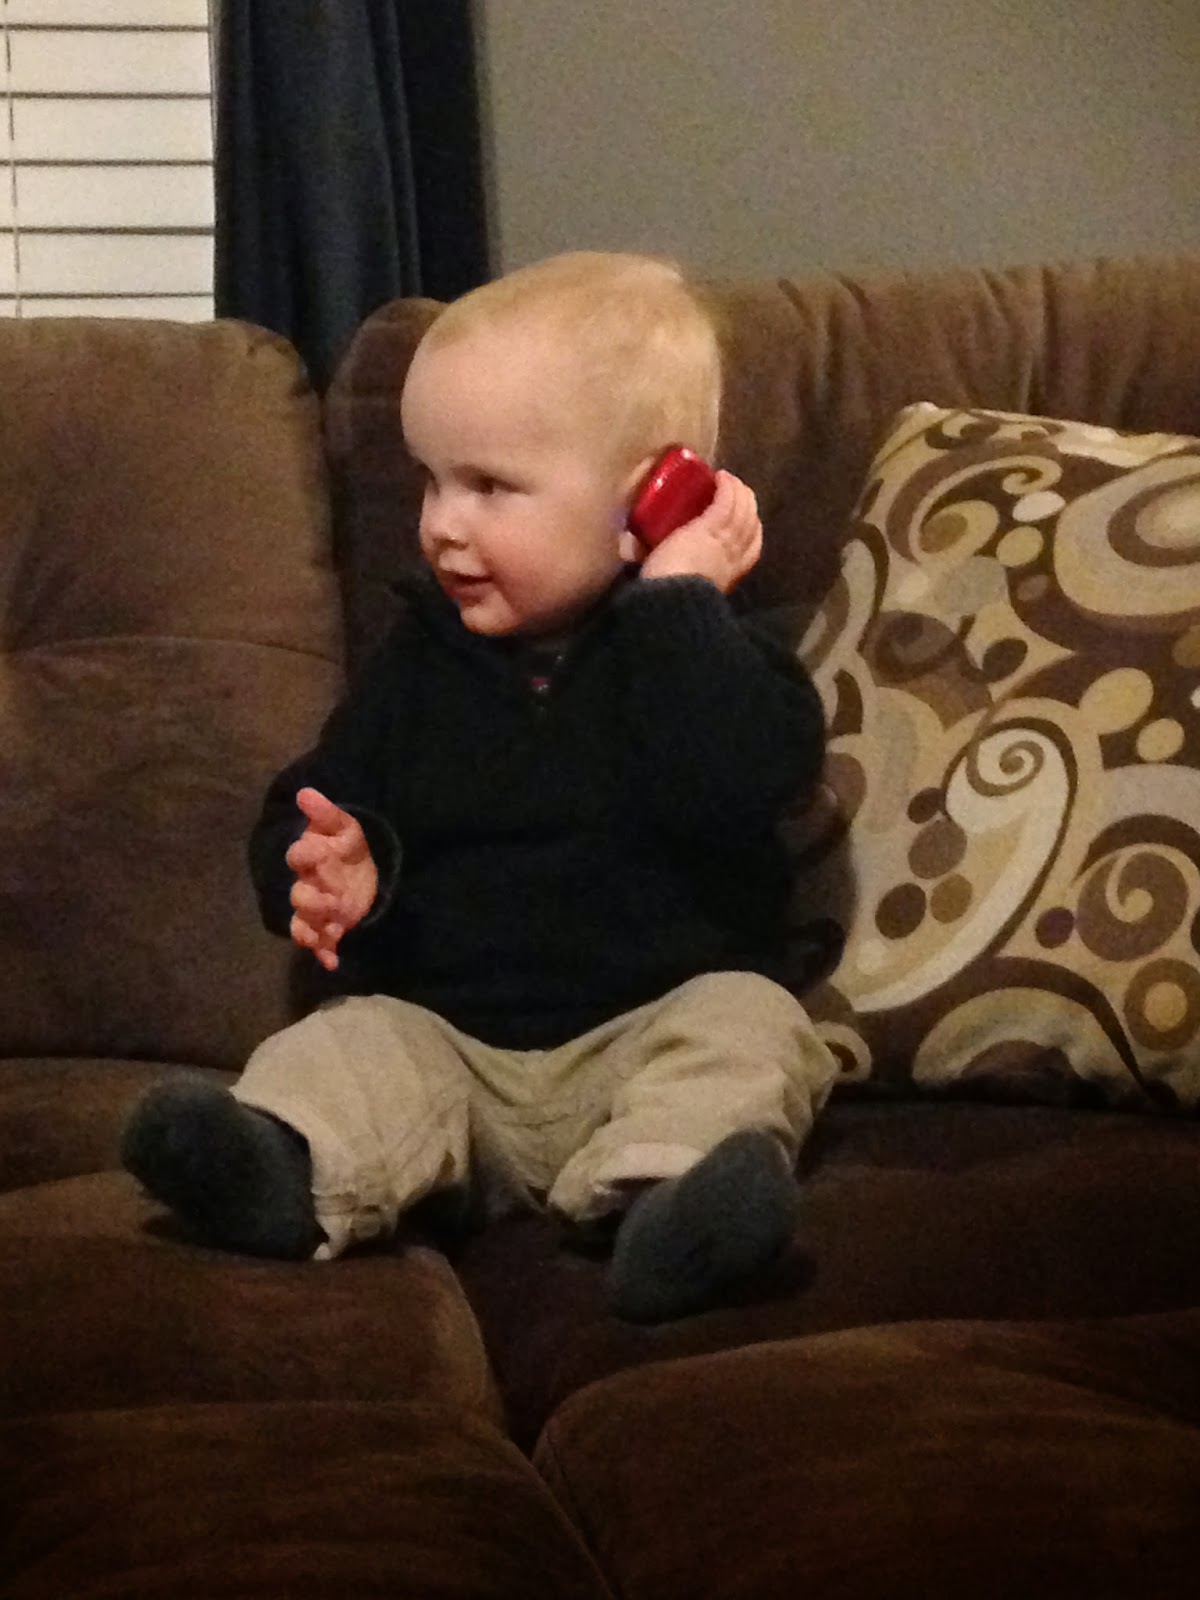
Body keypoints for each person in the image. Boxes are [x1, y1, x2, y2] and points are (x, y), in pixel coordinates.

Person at [121, 250, 836, 1323]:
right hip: (451, 1047)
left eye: (489, 486)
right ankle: (279, 1168)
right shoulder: (420, 664)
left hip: (646, 1033)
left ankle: (671, 1205)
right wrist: (333, 868)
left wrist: (678, 600)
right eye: (432, 480)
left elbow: (740, 783)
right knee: (350, 1041)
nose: (442, 523)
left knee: (752, 1021)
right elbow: (309, 804)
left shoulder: (708, 659)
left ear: (656, 495)